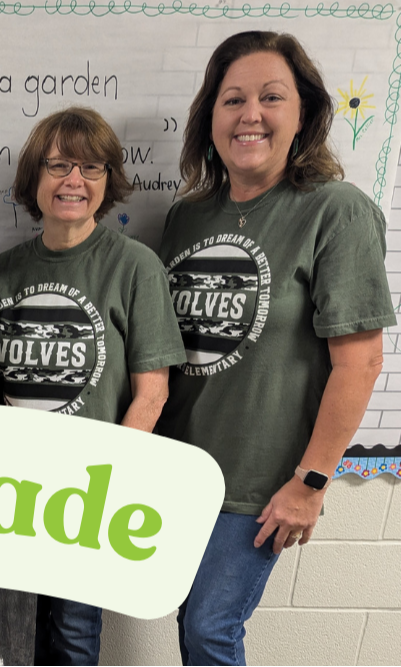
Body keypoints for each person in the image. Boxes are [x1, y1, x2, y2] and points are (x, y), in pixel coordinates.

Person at [158, 31, 395, 665]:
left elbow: (361, 361)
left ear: (303, 113)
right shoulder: (188, 216)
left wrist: (310, 482)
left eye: (271, 97)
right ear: (211, 118)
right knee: (191, 620)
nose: (250, 114)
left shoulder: (335, 210)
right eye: (232, 99)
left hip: (261, 481)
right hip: (181, 472)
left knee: (210, 627)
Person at [0, 108, 186, 666]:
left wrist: (107, 484)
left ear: (108, 181)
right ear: (35, 177)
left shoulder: (135, 267)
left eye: (90, 167)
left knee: (74, 632)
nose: (73, 180)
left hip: (86, 495)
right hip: (7, 493)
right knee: (11, 630)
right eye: (58, 165)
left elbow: (152, 394)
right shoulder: (0, 270)